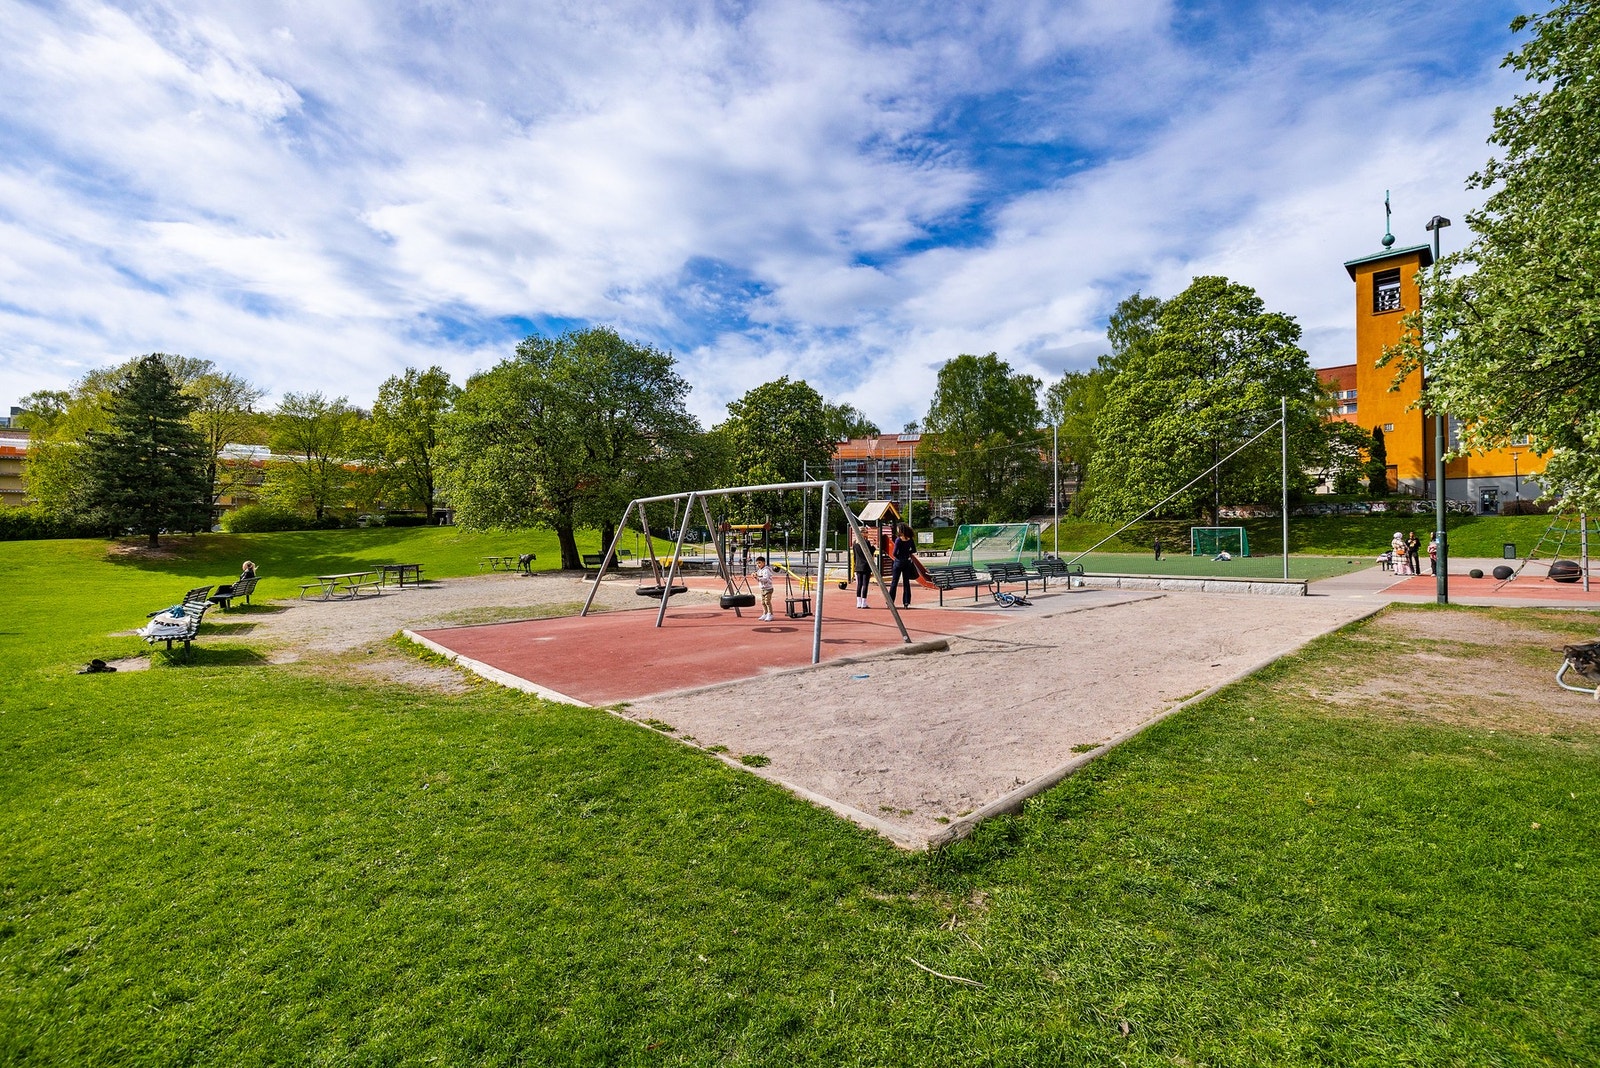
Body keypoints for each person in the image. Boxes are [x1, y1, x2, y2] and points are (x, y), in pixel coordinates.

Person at [890, 522, 917, 608]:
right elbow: (914, 550)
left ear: (901, 530)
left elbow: (894, 553)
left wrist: (899, 556)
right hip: (907, 562)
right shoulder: (910, 539)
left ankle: (890, 601)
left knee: (894, 582)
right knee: (906, 583)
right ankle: (906, 602)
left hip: (898, 562)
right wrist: (907, 553)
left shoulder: (898, 540)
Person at [853, 533, 875, 609]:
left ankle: (858, 602)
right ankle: (864, 602)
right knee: (865, 584)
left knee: (859, 584)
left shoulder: (855, 543)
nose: (867, 534)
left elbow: (855, 556)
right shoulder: (866, 542)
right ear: (862, 533)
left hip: (858, 565)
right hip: (866, 565)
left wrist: (856, 564)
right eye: (865, 532)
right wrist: (873, 546)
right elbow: (869, 553)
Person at [754, 556, 774, 621]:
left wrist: (757, 578)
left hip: (768, 589)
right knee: (763, 602)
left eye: (759, 563)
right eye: (757, 563)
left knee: (767, 602)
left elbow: (765, 579)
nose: (758, 565)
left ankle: (770, 614)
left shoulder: (766, 570)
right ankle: (765, 613)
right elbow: (758, 577)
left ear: (764, 563)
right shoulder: (759, 570)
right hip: (762, 589)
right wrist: (755, 575)